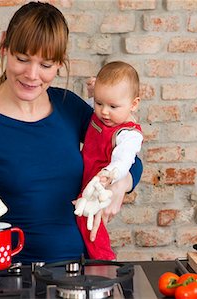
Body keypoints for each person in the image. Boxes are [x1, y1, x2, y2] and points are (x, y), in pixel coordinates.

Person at [0, 1, 142, 264]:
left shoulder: (69, 106)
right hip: (11, 277)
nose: (32, 75)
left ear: (59, 64)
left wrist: (121, 184)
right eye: (22, 59)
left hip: (80, 274)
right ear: (5, 46)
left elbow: (129, 156)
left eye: (46, 65)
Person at [74, 61, 142, 260]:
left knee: (91, 224)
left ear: (134, 104)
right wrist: (92, 94)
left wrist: (111, 175)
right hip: (85, 175)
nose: (104, 111)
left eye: (113, 106)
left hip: (100, 182)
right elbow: (90, 107)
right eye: (99, 103)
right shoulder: (102, 115)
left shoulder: (128, 134)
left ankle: (104, 259)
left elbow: (124, 160)